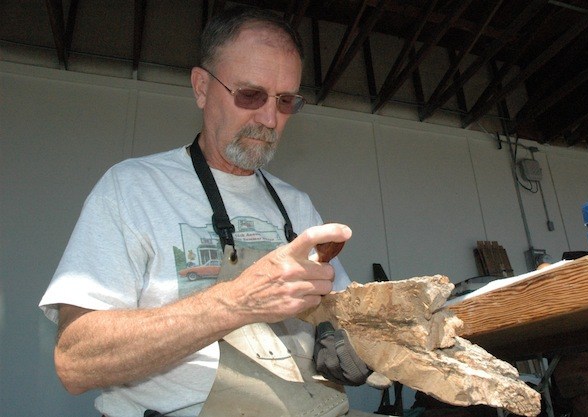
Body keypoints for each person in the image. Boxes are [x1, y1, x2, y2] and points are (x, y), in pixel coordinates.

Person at [39, 6, 378, 417]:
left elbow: (345, 317)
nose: (270, 118)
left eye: (286, 101)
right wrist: (236, 301)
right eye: (250, 95)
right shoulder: (132, 188)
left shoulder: (296, 205)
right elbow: (74, 361)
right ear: (201, 87)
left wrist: (340, 335)